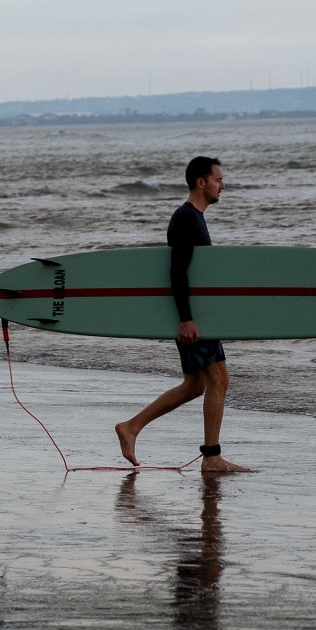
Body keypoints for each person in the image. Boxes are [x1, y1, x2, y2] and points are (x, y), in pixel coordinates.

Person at [114, 156, 251, 474]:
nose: (223, 185)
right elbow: (177, 271)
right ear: (201, 182)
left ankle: (131, 427)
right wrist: (187, 319)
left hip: (196, 315)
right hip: (194, 317)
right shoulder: (187, 219)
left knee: (195, 385)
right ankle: (212, 457)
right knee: (218, 381)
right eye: (218, 179)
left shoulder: (192, 217)